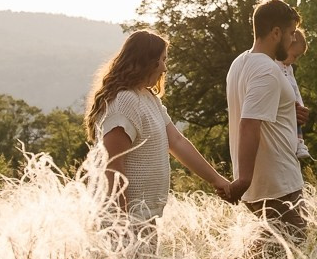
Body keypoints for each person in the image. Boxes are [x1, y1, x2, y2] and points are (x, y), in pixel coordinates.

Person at [85, 29, 232, 231]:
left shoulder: (148, 98)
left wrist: (217, 181)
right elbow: (112, 165)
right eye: (162, 60)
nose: (164, 68)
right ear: (147, 61)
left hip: (145, 216)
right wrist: (122, 222)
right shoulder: (124, 101)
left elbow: (178, 142)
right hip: (124, 219)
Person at [224, 0, 308, 245]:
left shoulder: (241, 63)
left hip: (268, 181)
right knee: (291, 250)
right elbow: (249, 123)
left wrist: (289, 111)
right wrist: (244, 180)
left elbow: (257, 109)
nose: (294, 40)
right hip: (276, 182)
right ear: (276, 32)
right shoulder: (267, 70)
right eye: (291, 34)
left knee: (270, 252)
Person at [284, 27, 313, 161]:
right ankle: (298, 145)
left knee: (298, 125)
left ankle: (300, 144)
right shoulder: (273, 65)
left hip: (293, 106)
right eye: (294, 55)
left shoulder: (289, 69)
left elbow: (295, 90)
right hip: (285, 108)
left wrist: (301, 105)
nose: (295, 60)